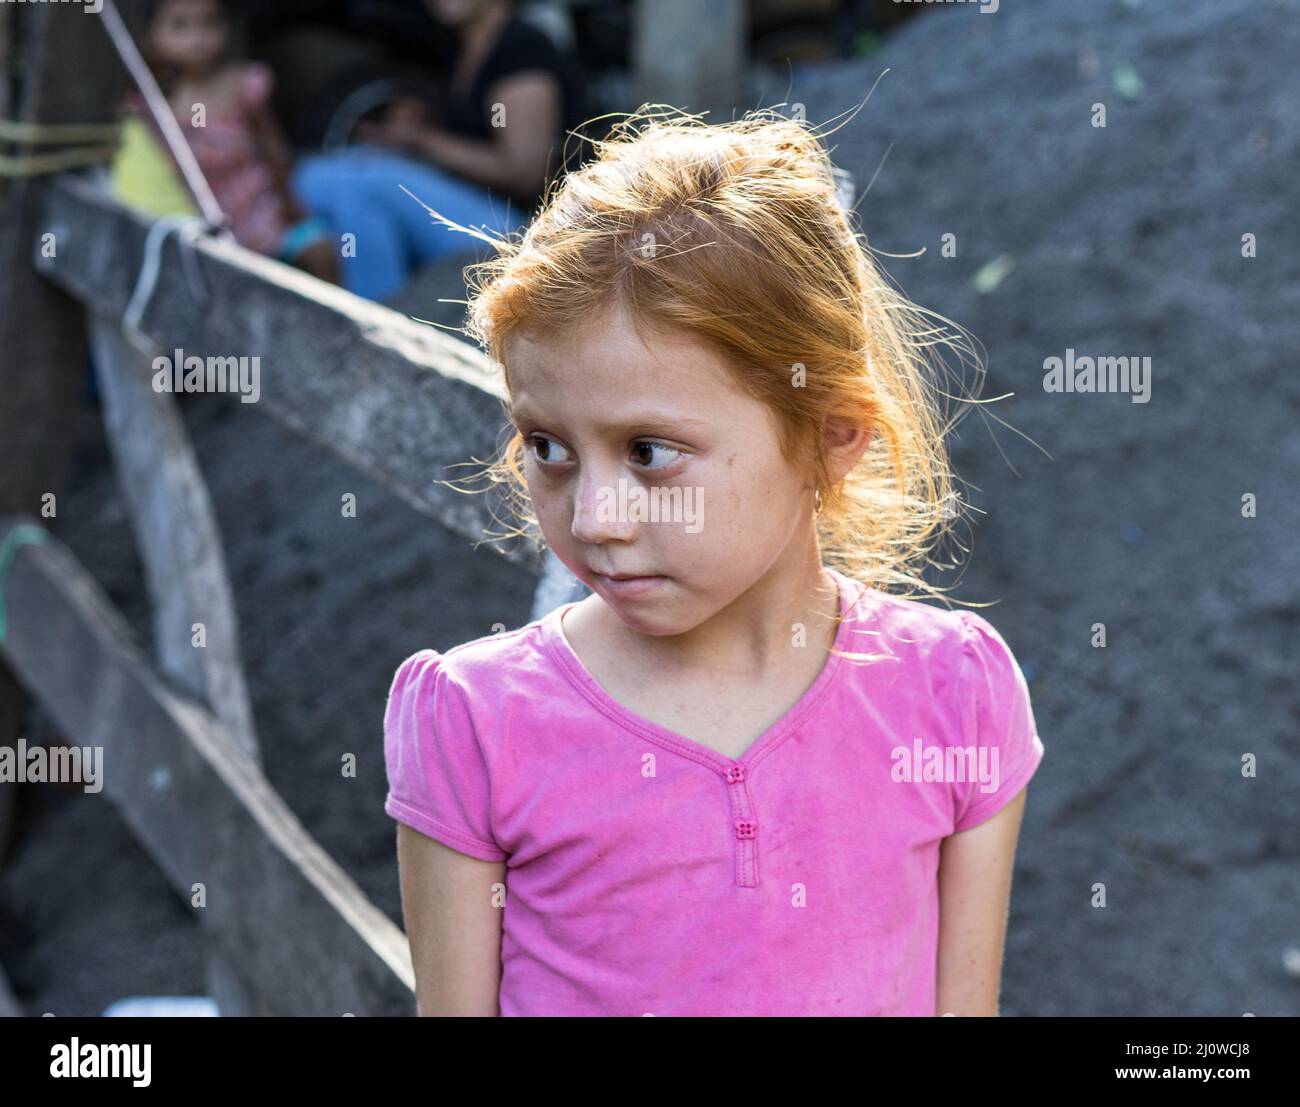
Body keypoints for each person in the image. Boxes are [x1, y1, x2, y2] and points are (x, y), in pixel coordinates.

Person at [382, 109, 1046, 1016]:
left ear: (831, 435)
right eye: (547, 446)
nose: (594, 517)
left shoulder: (953, 693)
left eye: (650, 451)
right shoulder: (475, 723)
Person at [293, 0, 585, 302]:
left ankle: (375, 320)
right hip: (473, 213)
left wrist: (423, 139)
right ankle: (373, 310)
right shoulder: (459, 49)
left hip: (518, 230)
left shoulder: (522, 48)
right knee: (323, 180)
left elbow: (525, 171)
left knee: (357, 181)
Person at [124, 0, 339, 283]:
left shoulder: (243, 84)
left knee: (320, 251)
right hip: (214, 226)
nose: (197, 38)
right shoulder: (151, 107)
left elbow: (273, 152)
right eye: (180, 26)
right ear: (151, 36)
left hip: (266, 213)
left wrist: (294, 209)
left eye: (209, 23)